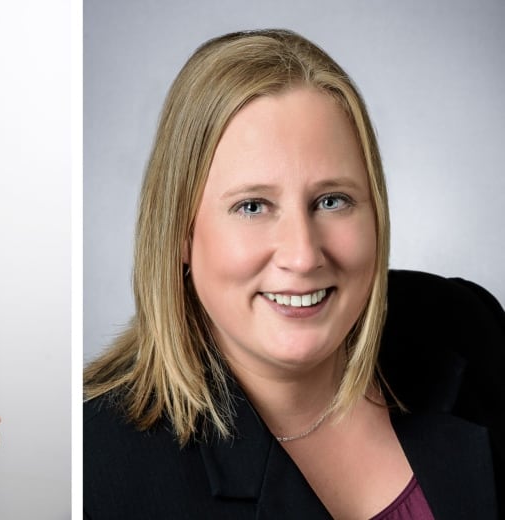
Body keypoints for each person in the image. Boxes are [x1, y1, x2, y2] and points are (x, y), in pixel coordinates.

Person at [84, 29, 504, 519]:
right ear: (179, 232)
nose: (303, 256)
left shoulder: (469, 325)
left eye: (332, 200)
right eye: (253, 206)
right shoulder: (102, 472)